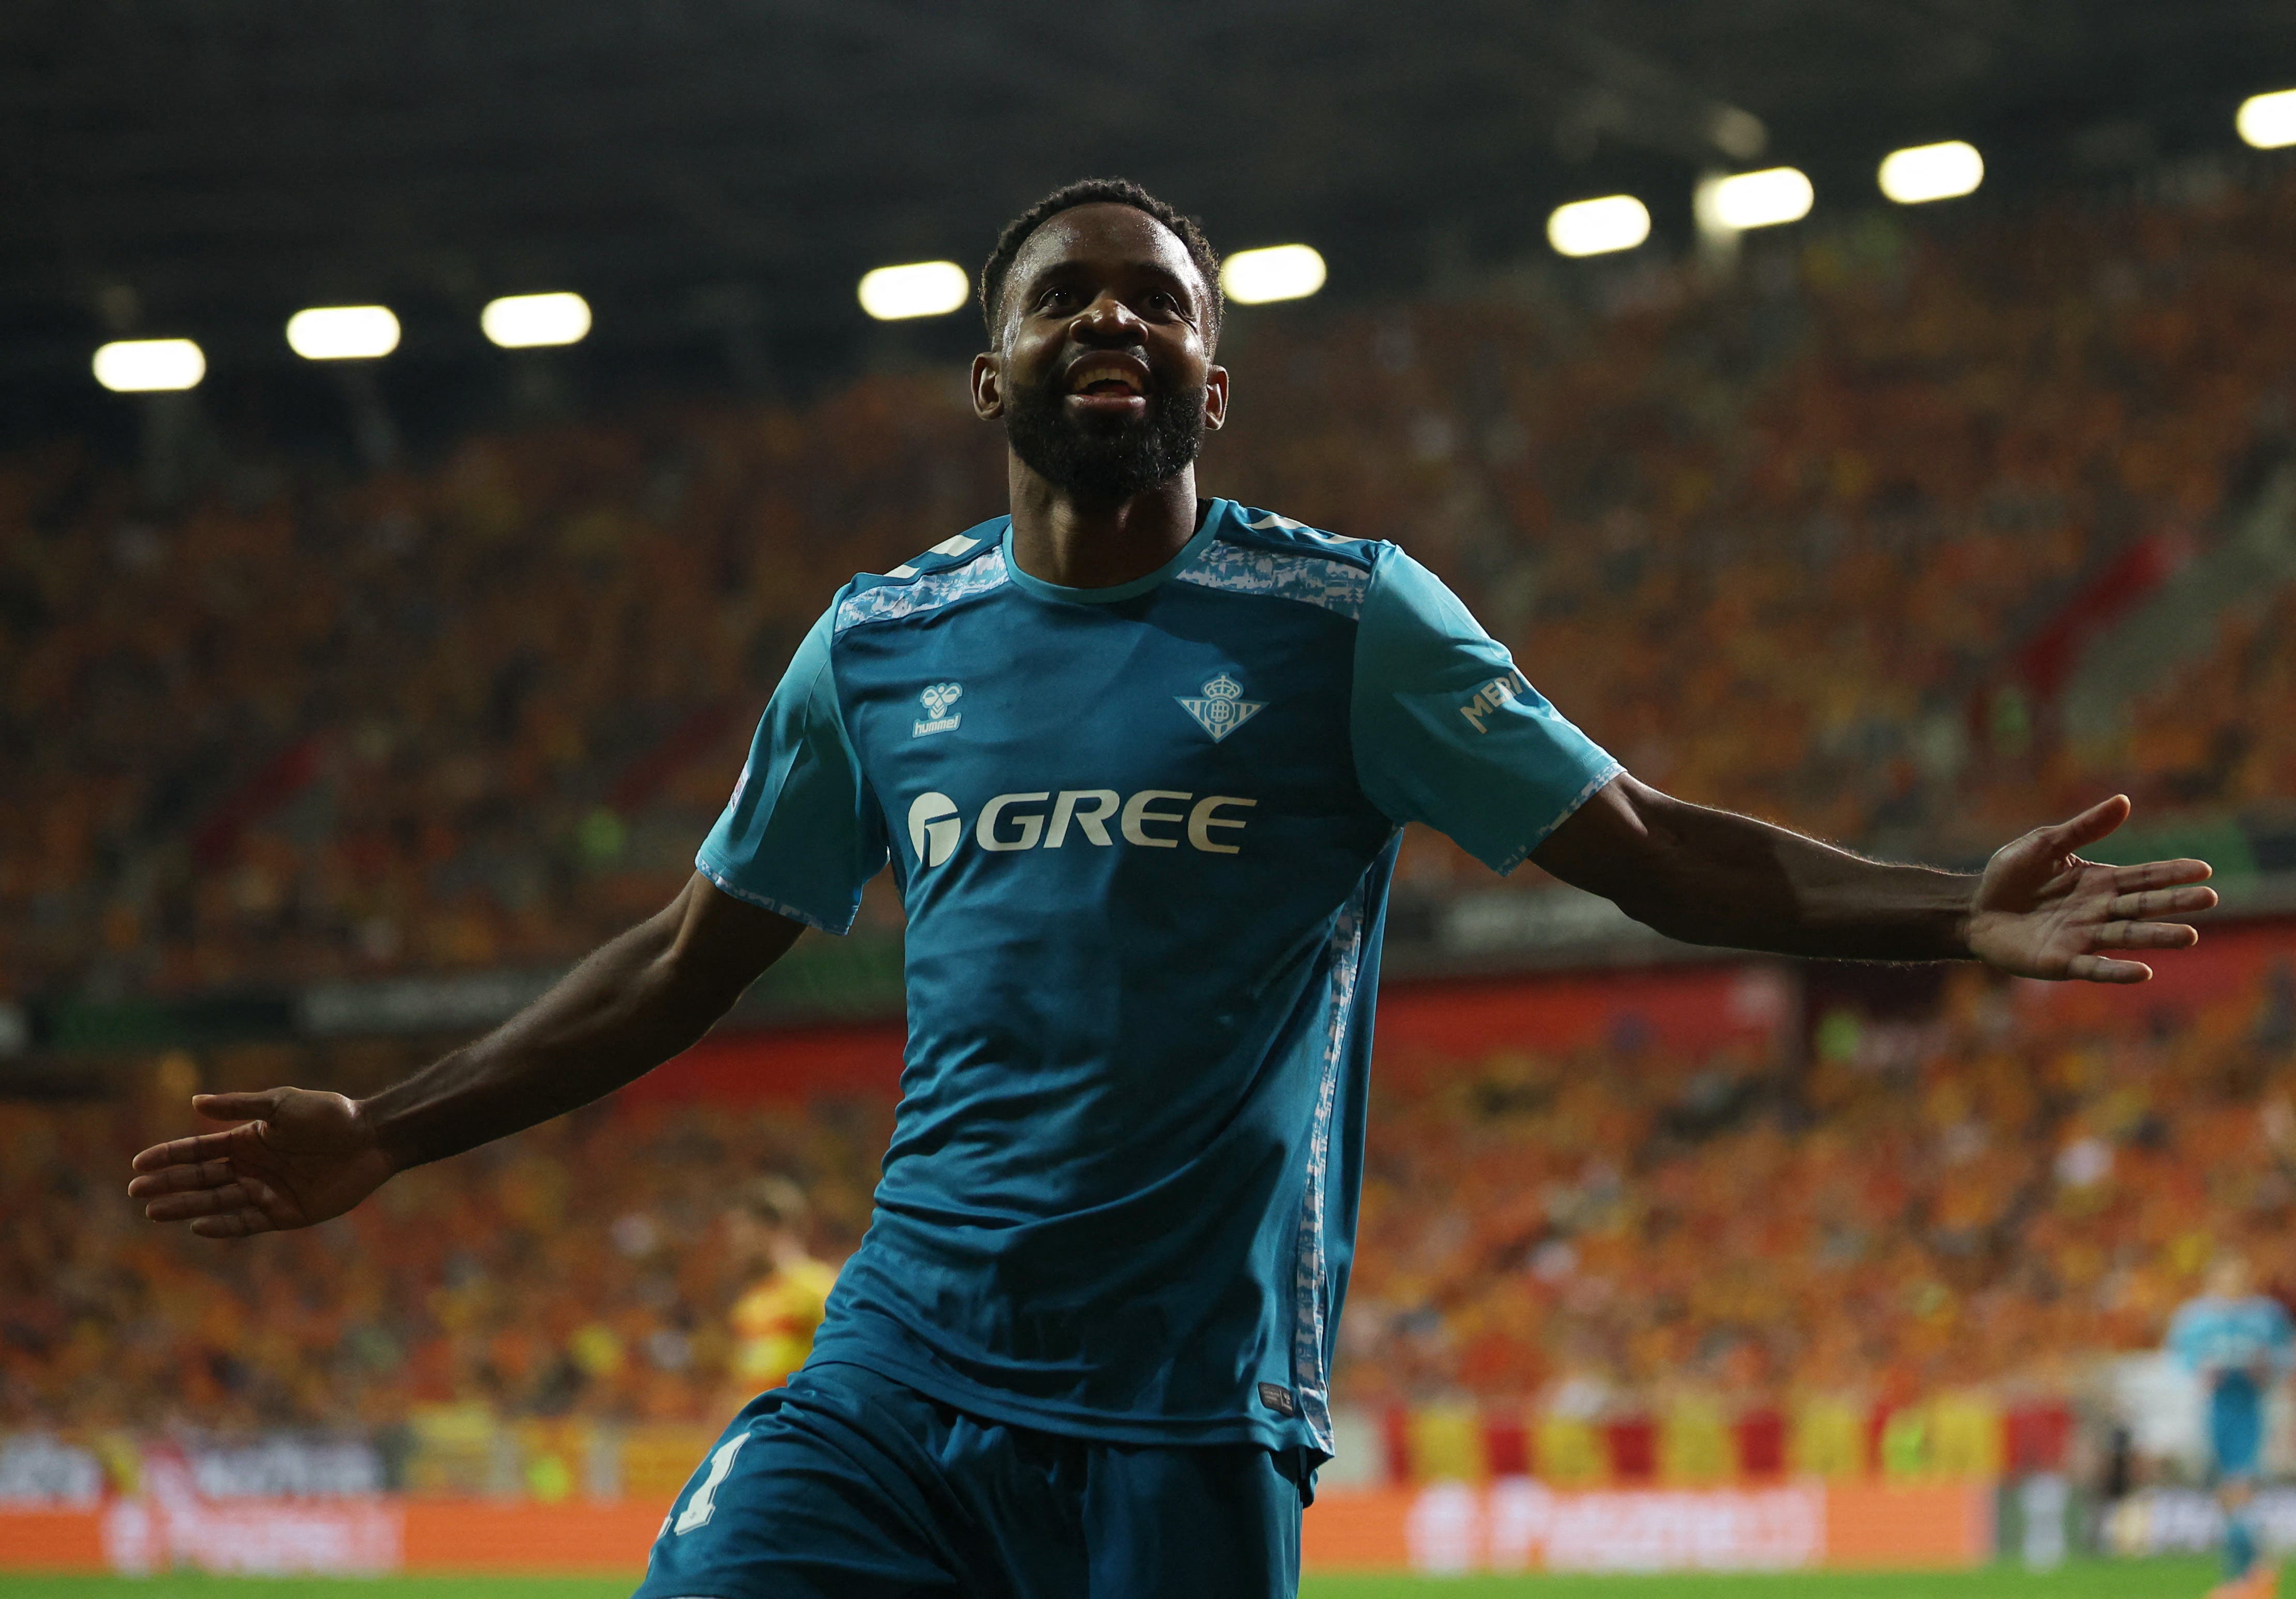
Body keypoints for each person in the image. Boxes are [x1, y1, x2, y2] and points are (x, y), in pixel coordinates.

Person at [129, 178, 2221, 1599]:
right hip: (895, 1375)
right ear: (993, 375)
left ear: (1215, 385)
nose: (1114, 317)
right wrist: (387, 1130)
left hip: (1188, 1427)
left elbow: (1653, 846)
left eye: (1161, 303)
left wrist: (1952, 908)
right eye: (1069, 295)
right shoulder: (872, 649)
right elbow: (688, 965)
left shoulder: (1348, 627)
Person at [2170, 1255, 2293, 1598]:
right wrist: (2201, 1371)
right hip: (2213, 1410)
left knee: (2241, 1487)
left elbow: (2285, 1354)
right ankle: (2250, 1575)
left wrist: (2266, 1369)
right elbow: (2180, 1358)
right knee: (2227, 1493)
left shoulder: (2265, 1315)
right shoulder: (2196, 1317)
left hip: (2252, 1408)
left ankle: (2252, 1576)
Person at [723, 1176, 839, 1398]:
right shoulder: (751, 1301)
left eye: (741, 1230)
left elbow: (841, 1368)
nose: (734, 1242)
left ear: (772, 1227)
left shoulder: (817, 1287)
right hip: (760, 1429)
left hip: (798, 1427)